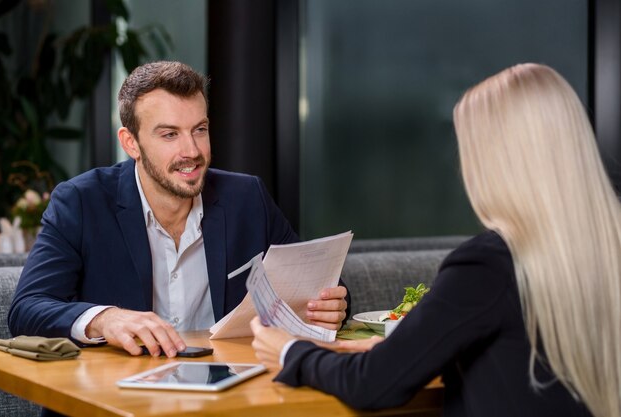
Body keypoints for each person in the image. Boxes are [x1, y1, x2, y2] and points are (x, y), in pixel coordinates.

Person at [250, 63, 621, 417]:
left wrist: (290, 352)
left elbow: (372, 384)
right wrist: (396, 348)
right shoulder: (605, 248)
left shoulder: (488, 265)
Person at [8, 61, 350, 359]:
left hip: (229, 392)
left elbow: (313, 281)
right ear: (131, 143)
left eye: (199, 130)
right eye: (170, 134)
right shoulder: (81, 201)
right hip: (116, 395)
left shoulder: (247, 197)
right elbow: (26, 309)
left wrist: (330, 306)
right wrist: (105, 318)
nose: (192, 151)